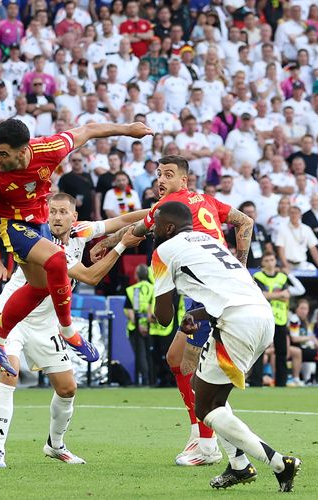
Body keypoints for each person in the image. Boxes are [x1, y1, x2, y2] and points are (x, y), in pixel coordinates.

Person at [91, 155, 254, 466]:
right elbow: (244, 222)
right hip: (209, 290)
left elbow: (137, 230)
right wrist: (241, 265)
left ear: (184, 180)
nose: (160, 180)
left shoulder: (170, 206)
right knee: (176, 359)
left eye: (168, 174)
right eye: (157, 175)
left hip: (209, 293)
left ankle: (209, 447)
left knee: (192, 367)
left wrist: (107, 243)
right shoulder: (205, 199)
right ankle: (200, 436)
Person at [0, 118, 153, 375]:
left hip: (35, 226)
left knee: (40, 287)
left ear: (23, 150)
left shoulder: (50, 149)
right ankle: (68, 330)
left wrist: (127, 129)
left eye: (3, 153)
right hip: (6, 224)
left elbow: (89, 130)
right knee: (57, 259)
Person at [150, 201, 301, 492]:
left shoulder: (163, 251)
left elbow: (163, 319)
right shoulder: (208, 240)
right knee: (205, 389)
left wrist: (167, 305)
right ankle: (238, 466)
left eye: (155, 224)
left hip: (237, 322)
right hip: (261, 316)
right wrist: (195, 314)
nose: (152, 229)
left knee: (206, 406)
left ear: (168, 227)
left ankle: (280, 463)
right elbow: (226, 290)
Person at [0, 193, 145, 468]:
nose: (57, 217)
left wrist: (157, 210)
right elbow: (89, 276)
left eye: (63, 212)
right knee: (9, 373)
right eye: (53, 212)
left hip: (47, 323)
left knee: (67, 388)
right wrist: (121, 245)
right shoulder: (39, 242)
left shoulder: (81, 231)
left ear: (74, 216)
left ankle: (55, 445)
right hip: (14, 318)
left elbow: (121, 219)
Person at [252, 252, 305, 387]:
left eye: (272, 259)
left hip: (280, 318)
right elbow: (261, 295)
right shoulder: (258, 276)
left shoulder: (282, 277)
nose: (270, 262)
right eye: (267, 260)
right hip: (263, 317)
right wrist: (279, 295)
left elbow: (287, 295)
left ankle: (281, 382)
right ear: (262, 263)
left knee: (282, 352)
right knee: (259, 350)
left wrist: (272, 295)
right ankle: (256, 382)